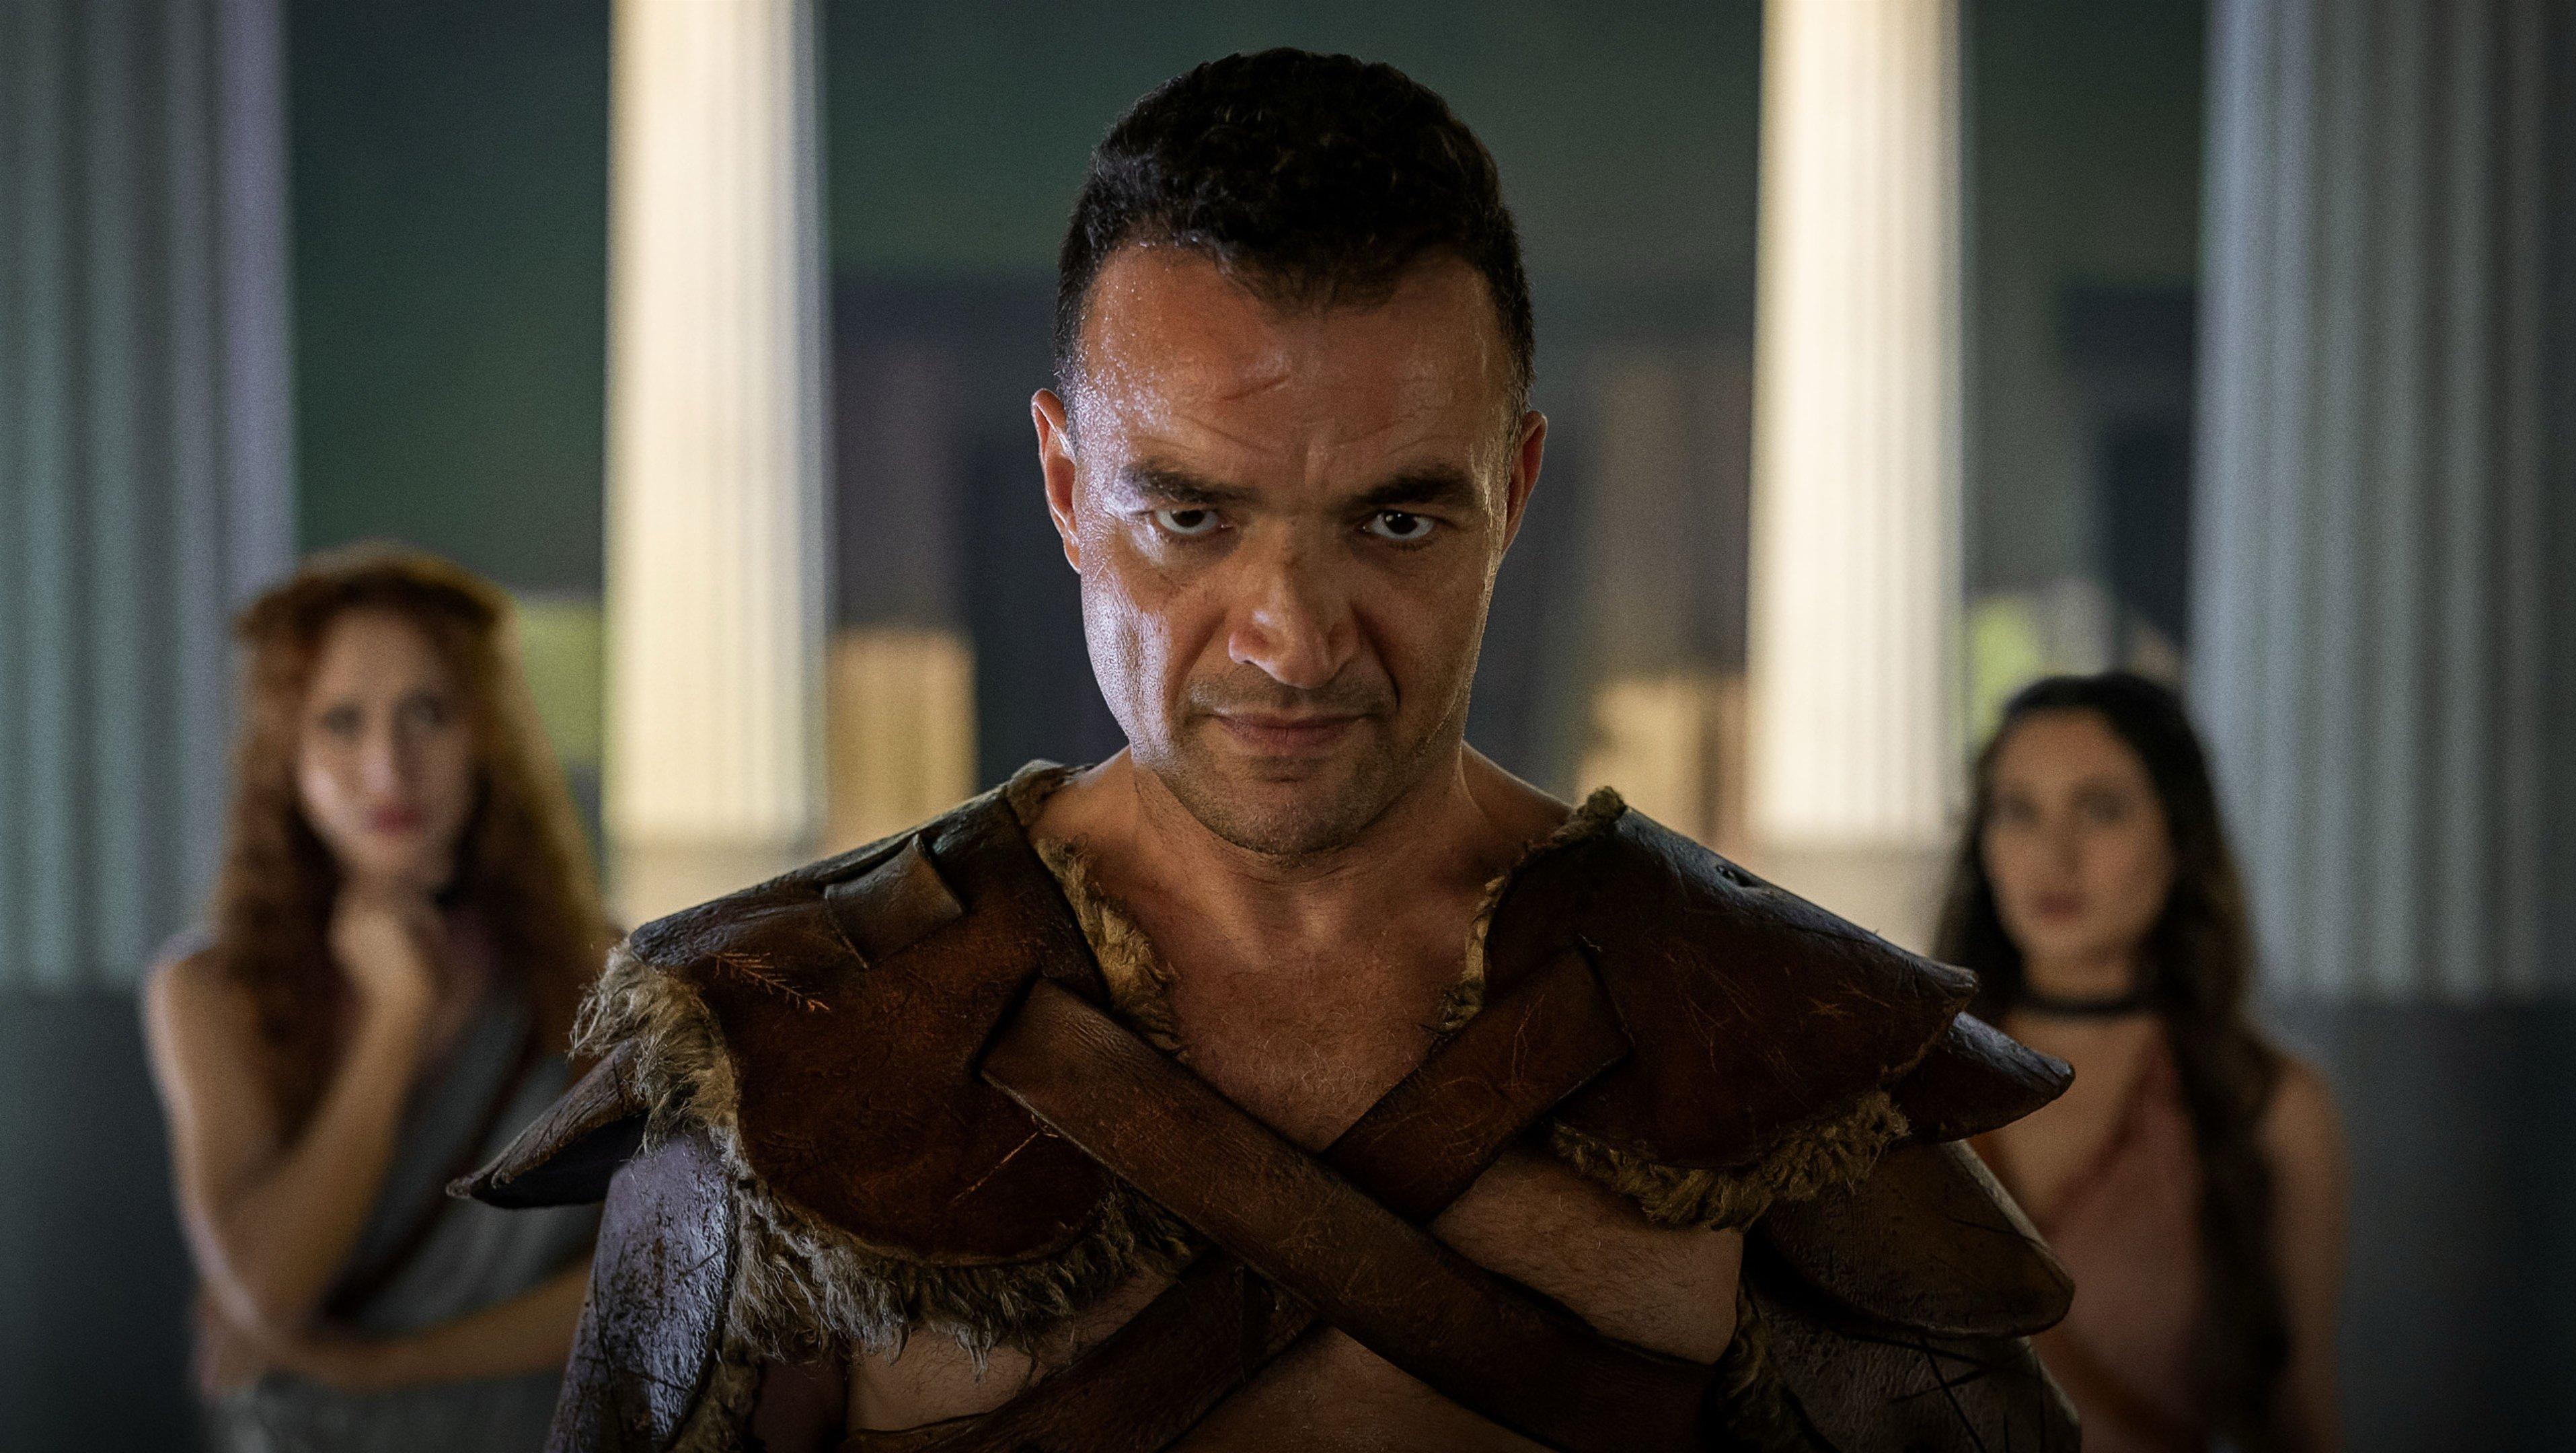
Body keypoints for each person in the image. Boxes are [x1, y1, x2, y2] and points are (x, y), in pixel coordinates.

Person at [469, 51, 2080, 1452]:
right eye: (1190, 517)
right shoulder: (792, 1042)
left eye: (1397, 519)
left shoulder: (1763, 1033)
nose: (1293, 641)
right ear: (1065, 487)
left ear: (1512, 493)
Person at [143, 547, 613, 1451]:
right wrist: (396, 1019)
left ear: (484, 737)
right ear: (285, 752)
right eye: (341, 722)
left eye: (427, 714)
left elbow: (655, 1271)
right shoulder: (205, 989)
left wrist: (390, 1366)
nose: (390, 768)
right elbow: (269, 1291)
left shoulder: (599, 967)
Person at [1937, 673, 2347, 1452]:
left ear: (2179, 839)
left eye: (2101, 809)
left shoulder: (2269, 1104)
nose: (2054, 856)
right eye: (2019, 810)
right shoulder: (1910, 1082)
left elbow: (2299, 1415)